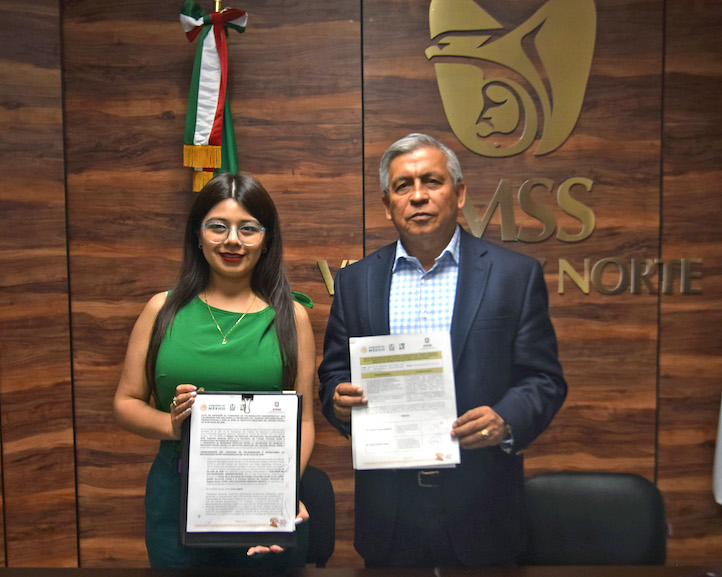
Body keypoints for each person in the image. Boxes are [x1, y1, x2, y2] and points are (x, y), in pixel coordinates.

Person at [318, 133, 567, 567]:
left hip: (483, 505)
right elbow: (333, 373)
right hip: (389, 512)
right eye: (403, 186)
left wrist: (506, 418)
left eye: (431, 181)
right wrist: (338, 399)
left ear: (459, 193)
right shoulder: (356, 282)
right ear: (387, 203)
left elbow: (544, 378)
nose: (418, 196)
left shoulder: (514, 275)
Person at [113, 172, 315, 568]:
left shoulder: (292, 317)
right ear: (197, 235)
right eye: (218, 226)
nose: (232, 240)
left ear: (267, 239)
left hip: (264, 493)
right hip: (175, 495)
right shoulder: (161, 309)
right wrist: (172, 425)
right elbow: (125, 403)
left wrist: (283, 490)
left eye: (248, 228)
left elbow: (304, 421)